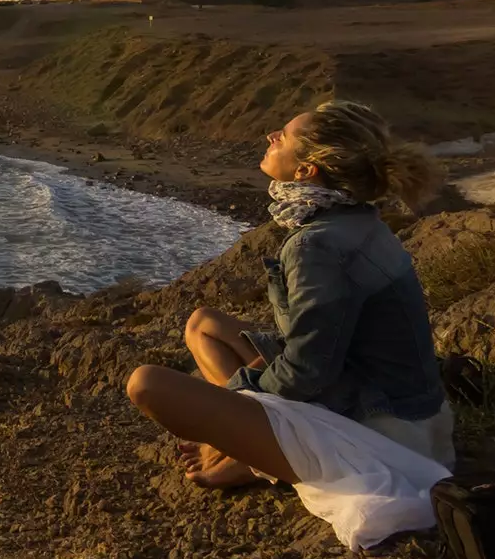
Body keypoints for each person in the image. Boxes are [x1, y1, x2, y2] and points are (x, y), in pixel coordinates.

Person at [125, 100, 451, 490]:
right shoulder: (358, 218)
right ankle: (248, 440)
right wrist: (242, 398)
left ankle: (249, 457)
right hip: (413, 413)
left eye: (283, 136)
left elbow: (309, 370)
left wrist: (231, 409)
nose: (271, 136)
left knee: (145, 384)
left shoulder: (317, 245)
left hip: (381, 434)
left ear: (305, 171)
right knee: (203, 324)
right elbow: (322, 342)